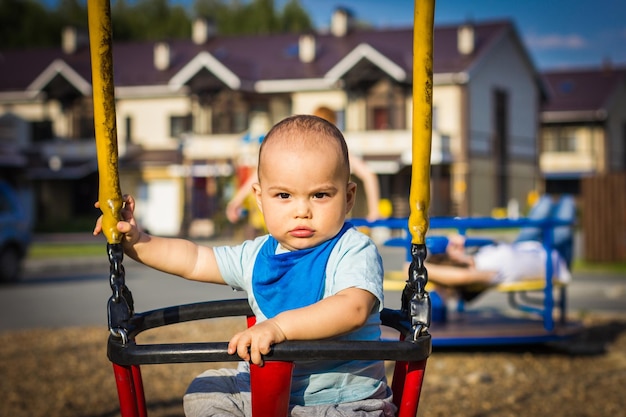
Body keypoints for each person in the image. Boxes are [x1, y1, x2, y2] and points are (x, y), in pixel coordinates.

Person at [94, 115, 395, 416]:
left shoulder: (353, 249)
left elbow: (352, 308)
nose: (302, 211)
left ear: (349, 197)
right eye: (284, 196)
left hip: (342, 400)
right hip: (263, 389)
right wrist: (136, 239)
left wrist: (278, 327)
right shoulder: (254, 256)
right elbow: (195, 260)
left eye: (320, 195)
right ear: (260, 199)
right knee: (205, 390)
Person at [226, 106, 381, 225]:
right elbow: (368, 175)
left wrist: (236, 200)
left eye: (320, 195)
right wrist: (374, 211)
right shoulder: (333, 151)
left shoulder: (299, 149)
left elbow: (260, 173)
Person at [421, 234, 571, 300]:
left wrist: (463, 243)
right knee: (562, 205)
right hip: (556, 260)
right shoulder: (484, 273)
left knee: (547, 204)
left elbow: (494, 241)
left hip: (529, 247)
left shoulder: (479, 257)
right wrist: (415, 268)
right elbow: (462, 276)